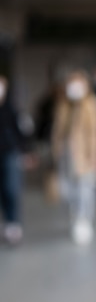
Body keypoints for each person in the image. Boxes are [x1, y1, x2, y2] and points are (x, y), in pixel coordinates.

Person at [51, 70, 96, 244]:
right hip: (65, 155)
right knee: (66, 190)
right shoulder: (63, 106)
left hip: (85, 155)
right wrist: (55, 152)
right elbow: (57, 132)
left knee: (85, 190)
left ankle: (83, 220)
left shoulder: (92, 104)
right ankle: (74, 215)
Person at [0, 75, 32, 245]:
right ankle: (6, 222)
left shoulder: (12, 109)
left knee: (11, 188)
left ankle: (13, 223)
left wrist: (26, 152)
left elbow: (23, 132)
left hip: (10, 154)